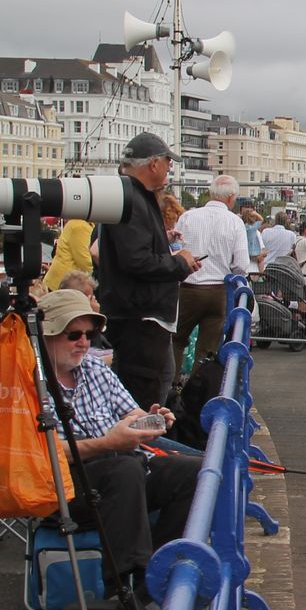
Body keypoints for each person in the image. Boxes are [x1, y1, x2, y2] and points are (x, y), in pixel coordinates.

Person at [36, 288, 202, 597]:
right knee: (124, 469)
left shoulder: (95, 369)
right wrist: (107, 442)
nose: (84, 342)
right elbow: (40, 454)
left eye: (90, 333)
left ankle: (161, 568)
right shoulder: (31, 384)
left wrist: (152, 418)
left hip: (124, 469)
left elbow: (131, 411)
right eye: (74, 335)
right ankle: (125, 586)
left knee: (197, 473)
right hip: (65, 485)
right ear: (47, 336)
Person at [97, 132, 200, 409]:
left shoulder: (130, 196)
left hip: (140, 315)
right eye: (168, 162)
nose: (170, 168)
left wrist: (168, 249)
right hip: (141, 318)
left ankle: (144, 444)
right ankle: (141, 446)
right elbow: (137, 260)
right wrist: (179, 263)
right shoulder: (131, 199)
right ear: (153, 164)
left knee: (160, 380)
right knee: (147, 392)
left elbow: (133, 252)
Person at [171, 175, 252, 375]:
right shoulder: (235, 222)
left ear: (210, 193)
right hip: (217, 291)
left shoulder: (187, 217)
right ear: (232, 197)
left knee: (176, 340)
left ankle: (171, 388)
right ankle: (199, 392)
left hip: (187, 287)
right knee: (208, 348)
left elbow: (176, 250)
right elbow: (241, 265)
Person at [43, 216, 96, 290]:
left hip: (63, 284)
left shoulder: (80, 224)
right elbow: (85, 262)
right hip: (63, 286)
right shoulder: (79, 225)